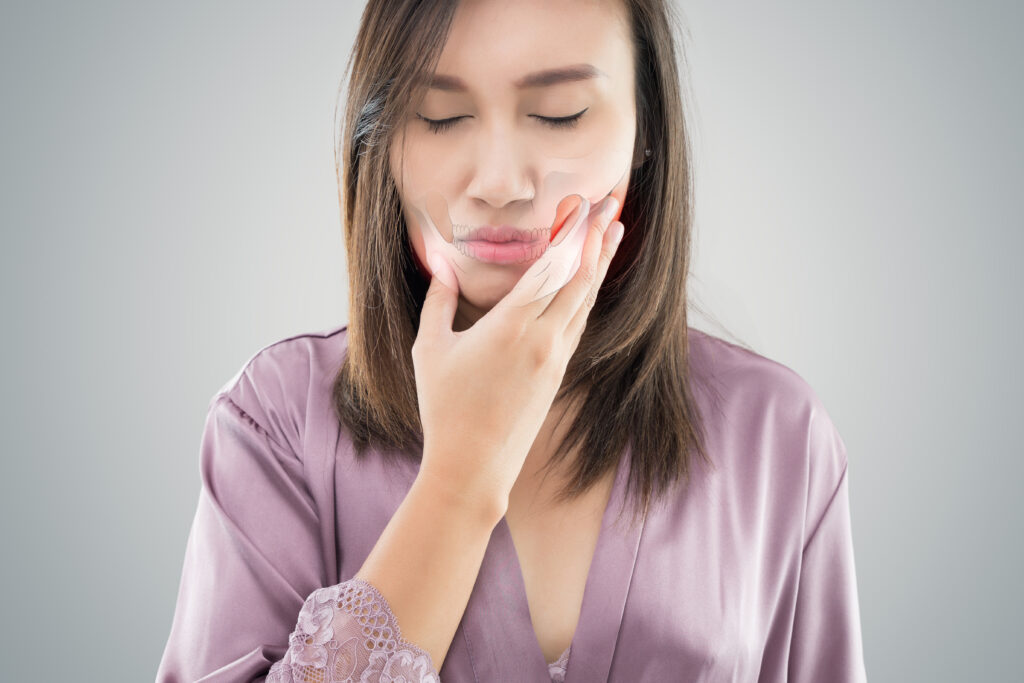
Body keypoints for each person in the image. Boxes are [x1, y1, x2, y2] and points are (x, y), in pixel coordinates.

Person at [156, 1, 868, 681]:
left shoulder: (780, 434)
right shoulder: (276, 421)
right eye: (439, 117)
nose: (498, 183)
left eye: (560, 115)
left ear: (645, 131)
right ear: (382, 139)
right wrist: (458, 482)